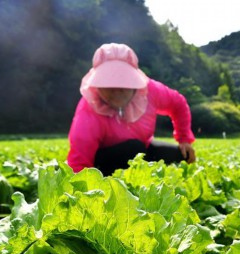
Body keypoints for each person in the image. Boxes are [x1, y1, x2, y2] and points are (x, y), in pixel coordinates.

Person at [67, 43, 196, 176]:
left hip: (143, 148)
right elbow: (79, 161)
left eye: (123, 82)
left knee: (181, 155)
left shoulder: (151, 91)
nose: (116, 90)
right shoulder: (89, 107)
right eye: (108, 84)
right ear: (97, 86)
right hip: (103, 160)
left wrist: (184, 139)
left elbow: (178, 103)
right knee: (134, 148)